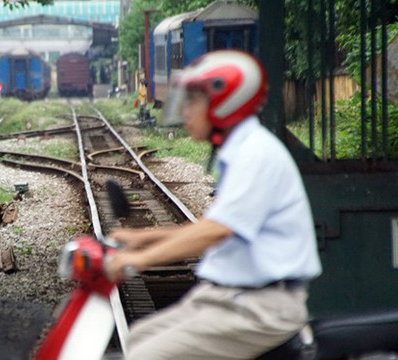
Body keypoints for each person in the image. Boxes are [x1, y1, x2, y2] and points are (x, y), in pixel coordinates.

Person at [105, 50, 322, 360]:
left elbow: (217, 230)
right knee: (136, 340)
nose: (186, 111)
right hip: (229, 298)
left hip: (261, 307)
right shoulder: (240, 151)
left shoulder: (255, 153)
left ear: (226, 103)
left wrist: (135, 261)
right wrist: (140, 239)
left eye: (194, 101)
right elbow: (217, 225)